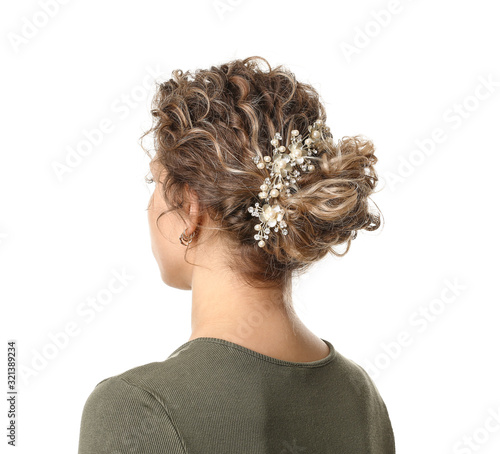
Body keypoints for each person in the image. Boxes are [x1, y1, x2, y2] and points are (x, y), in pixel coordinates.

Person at [78, 56, 395, 453]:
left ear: (191, 208)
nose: (148, 205)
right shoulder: (359, 398)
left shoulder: (137, 410)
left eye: (155, 183)